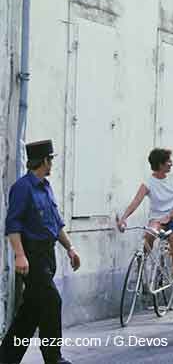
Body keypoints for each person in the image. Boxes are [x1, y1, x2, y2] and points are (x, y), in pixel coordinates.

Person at [0, 140, 81, 364]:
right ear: (44, 160)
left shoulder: (46, 186)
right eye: (51, 159)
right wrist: (19, 254)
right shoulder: (22, 188)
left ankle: (6, 358)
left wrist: (70, 248)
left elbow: (56, 223)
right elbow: (13, 224)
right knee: (52, 301)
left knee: (31, 312)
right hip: (31, 256)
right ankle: (54, 359)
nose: (52, 163)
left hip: (47, 255)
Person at [117, 148, 173, 325]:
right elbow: (136, 202)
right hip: (157, 220)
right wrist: (123, 218)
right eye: (168, 161)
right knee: (148, 235)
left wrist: (170, 216)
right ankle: (142, 264)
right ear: (159, 164)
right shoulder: (148, 182)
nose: (171, 163)